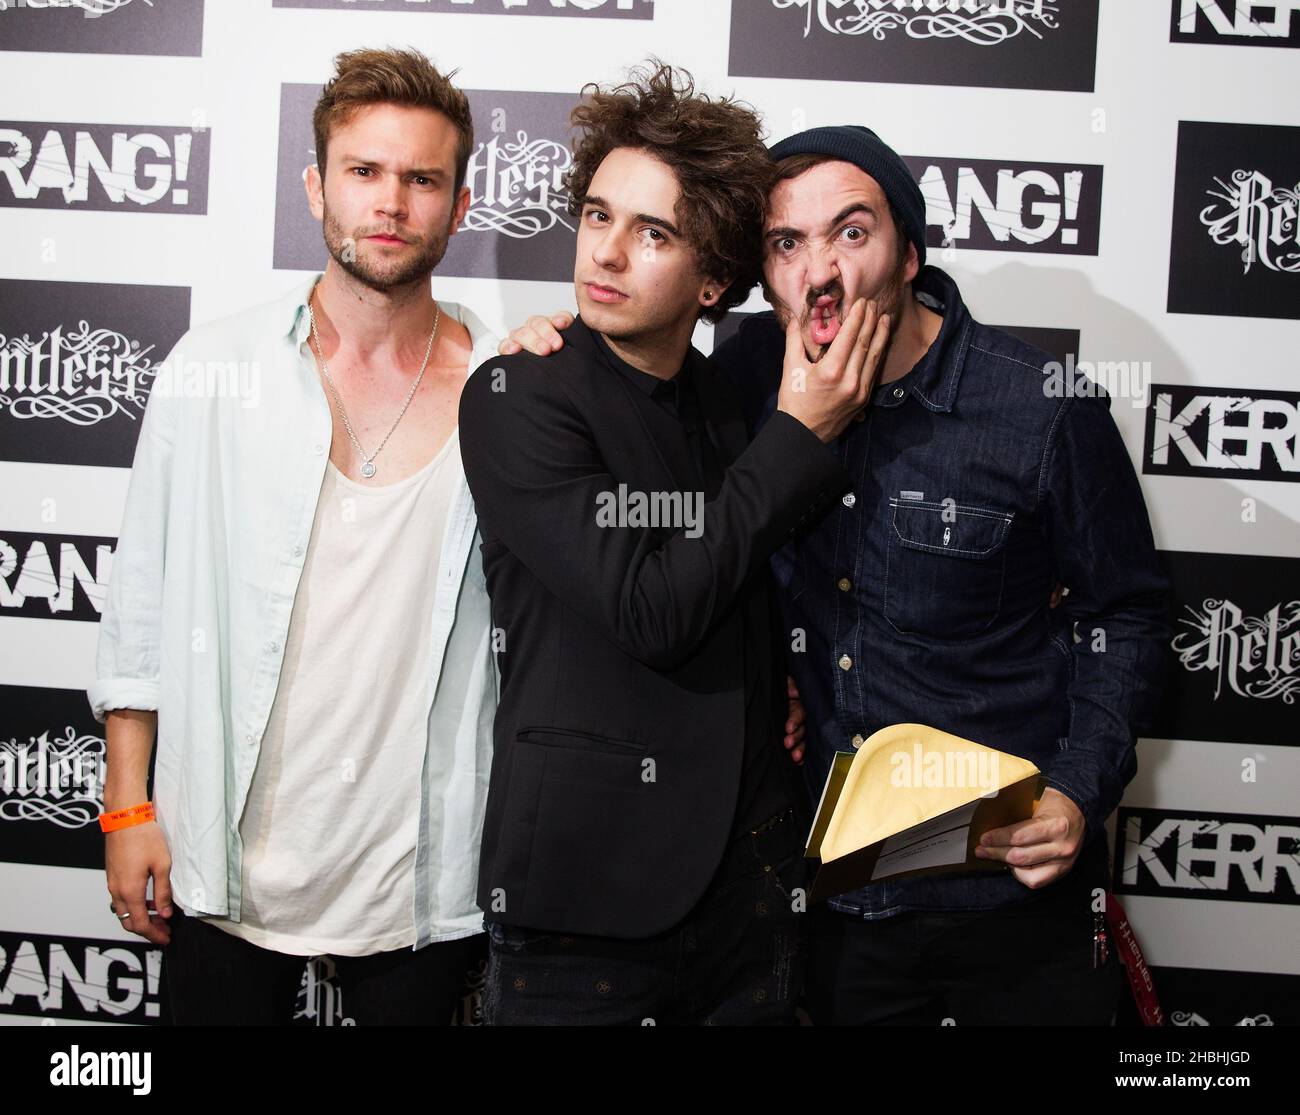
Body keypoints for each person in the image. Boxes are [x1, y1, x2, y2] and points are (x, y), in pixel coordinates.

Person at [500, 124, 1170, 1025]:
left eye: (851, 234)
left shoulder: (1040, 408)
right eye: (786, 243)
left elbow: (1125, 614)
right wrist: (561, 335)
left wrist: (1081, 789)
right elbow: (667, 510)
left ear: (909, 254)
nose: (819, 272)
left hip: (1010, 895)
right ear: (755, 272)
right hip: (828, 907)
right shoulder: (737, 382)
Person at [458, 65, 889, 1026]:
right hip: (589, 903)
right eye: (599, 216)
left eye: (653, 233)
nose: (606, 253)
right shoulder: (519, 395)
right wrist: (801, 435)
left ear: (712, 279)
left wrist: (772, 674)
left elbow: (743, 569)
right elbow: (652, 608)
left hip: (751, 885)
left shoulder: (728, 397)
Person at [92, 47, 499, 1026]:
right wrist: (127, 806)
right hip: (223, 859)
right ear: (316, 185)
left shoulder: (508, 386)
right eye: (364, 171)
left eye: (421, 178)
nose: (391, 201)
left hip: (419, 876)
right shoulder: (213, 365)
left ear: (460, 201)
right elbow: (141, 596)